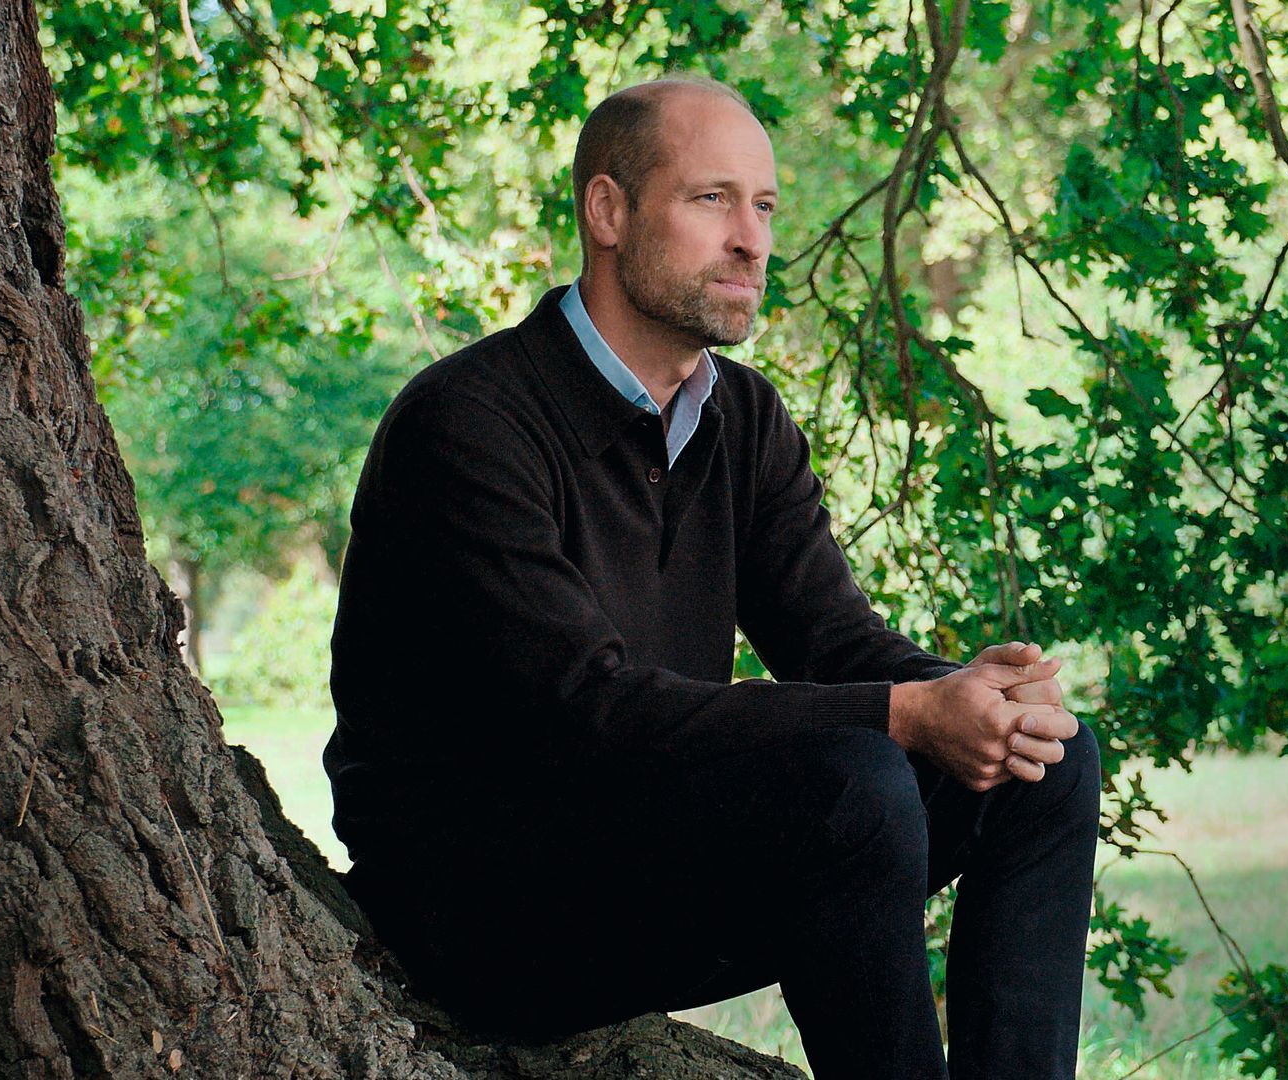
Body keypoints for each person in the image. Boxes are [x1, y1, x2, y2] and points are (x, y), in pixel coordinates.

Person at [325, 75, 1101, 1079]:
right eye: (712, 200)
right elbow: (587, 710)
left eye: (766, 206)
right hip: (483, 914)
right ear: (608, 211)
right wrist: (907, 715)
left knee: (1049, 761)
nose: (752, 240)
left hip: (646, 857)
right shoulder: (468, 422)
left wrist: (975, 699)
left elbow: (836, 644)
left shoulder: (742, 416)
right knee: (855, 781)